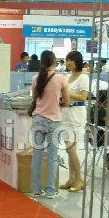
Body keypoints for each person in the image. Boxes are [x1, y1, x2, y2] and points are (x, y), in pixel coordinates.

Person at [30, 50, 69, 199]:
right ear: (54, 62)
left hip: (38, 120)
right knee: (52, 157)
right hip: (54, 121)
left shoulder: (35, 78)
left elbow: (35, 98)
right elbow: (66, 102)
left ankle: (36, 189)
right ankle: (51, 191)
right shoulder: (61, 79)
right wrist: (57, 103)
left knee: (37, 156)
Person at [60, 50, 89, 193]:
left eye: (71, 60)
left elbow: (83, 97)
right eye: (67, 60)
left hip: (76, 115)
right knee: (69, 149)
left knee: (71, 149)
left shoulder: (83, 77)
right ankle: (71, 178)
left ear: (77, 61)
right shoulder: (67, 77)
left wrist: (65, 93)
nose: (68, 62)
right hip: (66, 114)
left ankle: (79, 179)